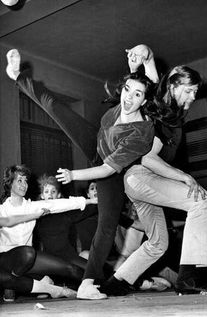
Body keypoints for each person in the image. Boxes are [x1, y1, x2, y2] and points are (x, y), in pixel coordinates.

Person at [5, 46, 158, 299]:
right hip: (97, 142)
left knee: (106, 225)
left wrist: (74, 175)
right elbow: (139, 81)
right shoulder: (120, 106)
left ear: (145, 100)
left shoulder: (142, 131)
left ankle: (87, 285)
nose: (128, 98)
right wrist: (138, 62)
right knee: (57, 108)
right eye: (127, 90)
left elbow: (107, 168)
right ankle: (18, 77)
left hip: (113, 171)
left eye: (137, 94)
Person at [102, 62, 207, 295]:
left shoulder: (169, 113)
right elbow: (148, 158)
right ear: (173, 87)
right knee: (202, 202)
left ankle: (115, 284)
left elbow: (159, 80)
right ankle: (189, 279)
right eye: (189, 90)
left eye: (195, 91)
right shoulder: (162, 113)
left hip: (137, 183)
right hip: (142, 176)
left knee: (158, 242)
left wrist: (149, 57)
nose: (193, 96)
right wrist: (184, 177)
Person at [0, 164, 97, 301]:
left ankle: (103, 286)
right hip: (7, 259)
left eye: (26, 180)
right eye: (19, 180)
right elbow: (9, 220)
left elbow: (60, 204)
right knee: (27, 252)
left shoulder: (33, 206)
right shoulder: (2, 210)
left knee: (71, 269)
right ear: (10, 183)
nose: (24, 184)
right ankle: (11, 285)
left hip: (28, 259)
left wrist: (91, 200)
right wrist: (35, 215)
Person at [34, 175, 97, 268]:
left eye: (53, 191)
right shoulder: (37, 216)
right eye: (46, 192)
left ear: (58, 195)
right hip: (49, 259)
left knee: (90, 271)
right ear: (42, 196)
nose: (50, 195)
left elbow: (85, 209)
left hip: (68, 257)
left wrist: (97, 201)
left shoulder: (66, 213)